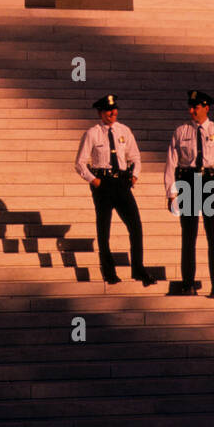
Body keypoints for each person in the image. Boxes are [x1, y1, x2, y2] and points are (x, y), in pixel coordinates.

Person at [75, 94, 156, 287]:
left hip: (121, 182)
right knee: (104, 229)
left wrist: (134, 175)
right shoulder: (92, 133)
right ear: (100, 113)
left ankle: (138, 268)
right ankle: (109, 271)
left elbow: (135, 156)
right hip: (102, 183)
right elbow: (80, 162)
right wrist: (94, 181)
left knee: (135, 226)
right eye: (108, 110)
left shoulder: (124, 131)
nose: (113, 113)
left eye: (114, 109)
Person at [164, 89, 214, 298]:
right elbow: (171, 163)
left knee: (213, 235)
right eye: (190, 106)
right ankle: (188, 283)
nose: (191, 110)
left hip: (210, 183)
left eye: (195, 106)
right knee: (188, 236)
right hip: (187, 181)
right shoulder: (181, 132)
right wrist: (171, 192)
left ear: (206, 107)